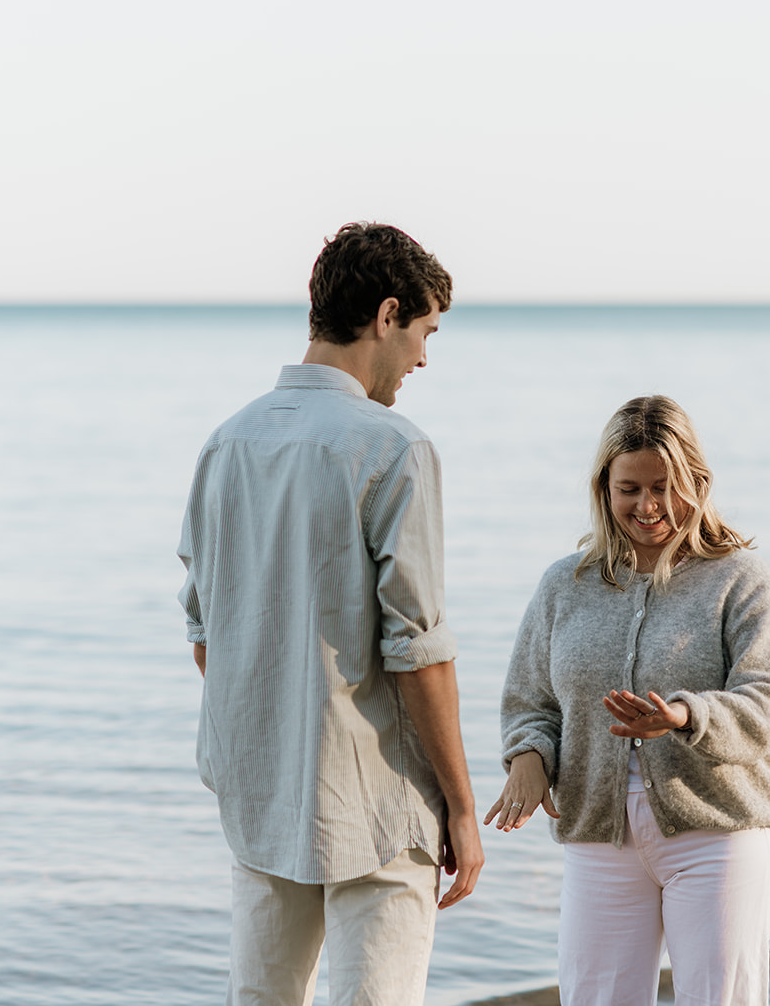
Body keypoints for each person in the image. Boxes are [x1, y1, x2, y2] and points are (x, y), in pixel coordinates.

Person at [177, 222, 483, 1006]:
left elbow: (207, 634)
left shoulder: (225, 443)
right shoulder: (393, 447)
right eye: (424, 333)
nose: (422, 359)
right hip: (375, 801)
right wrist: (460, 804)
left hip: (261, 793)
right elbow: (417, 650)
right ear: (386, 315)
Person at [487, 395, 770, 1006]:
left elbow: (768, 700)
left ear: (696, 484)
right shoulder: (564, 584)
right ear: (604, 488)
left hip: (718, 833)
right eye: (629, 488)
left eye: (664, 487)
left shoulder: (739, 578)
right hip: (598, 838)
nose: (647, 506)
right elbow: (531, 699)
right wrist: (528, 755)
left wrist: (685, 716)